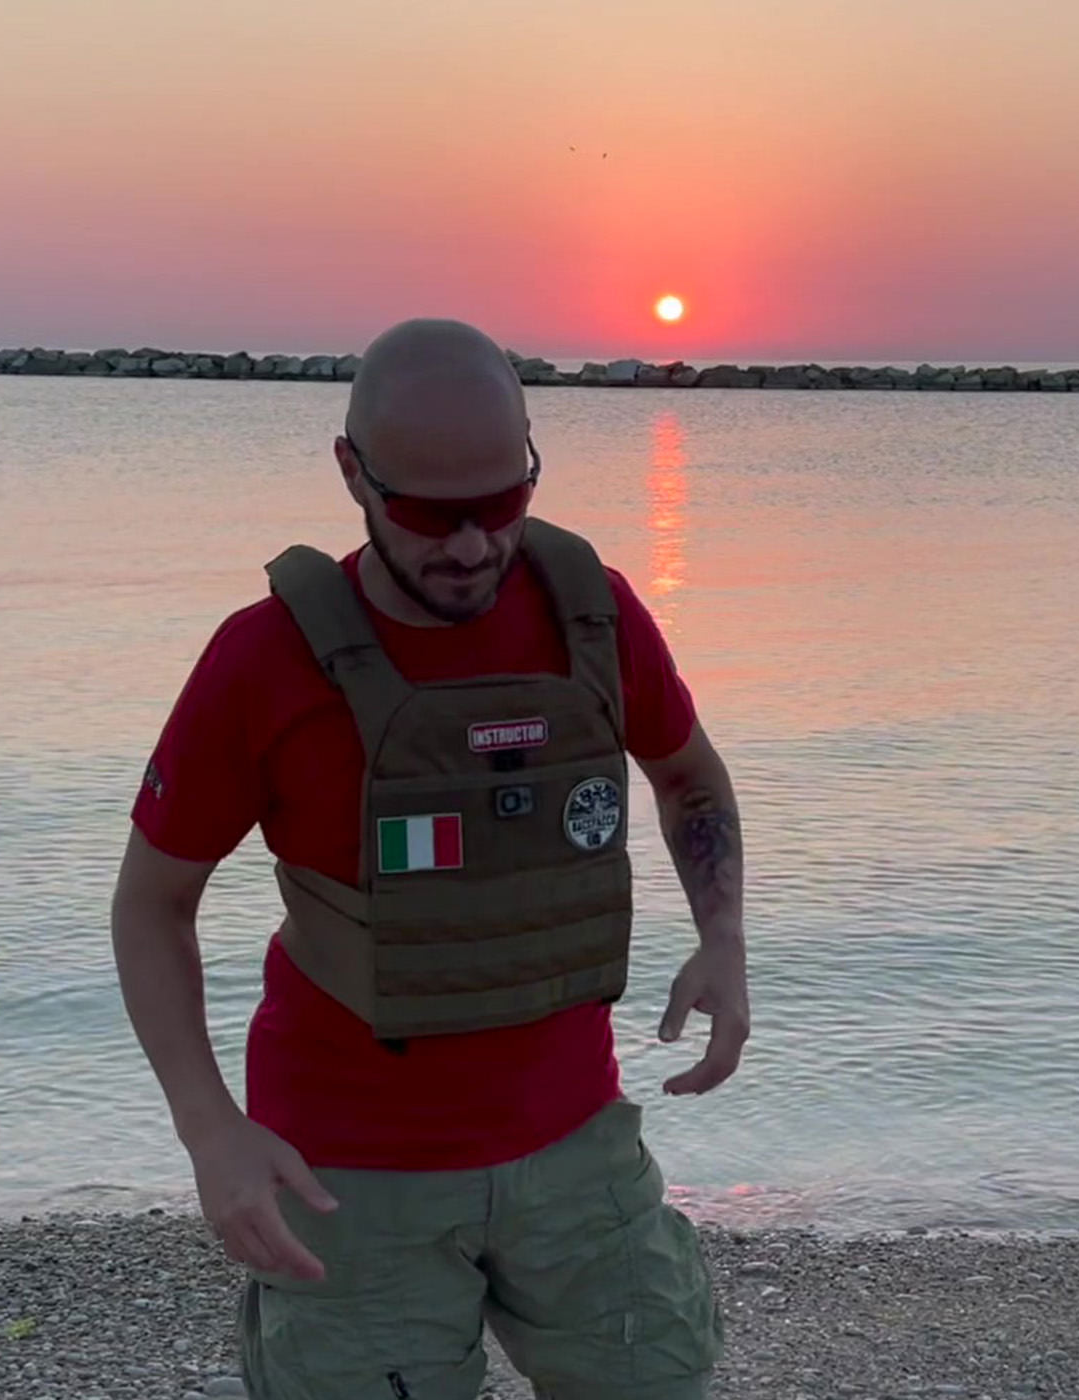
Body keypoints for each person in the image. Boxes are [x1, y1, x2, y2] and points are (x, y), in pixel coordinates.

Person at [110, 318, 750, 1400]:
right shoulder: (261, 660)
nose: (470, 545)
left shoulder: (591, 613)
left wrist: (721, 940)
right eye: (427, 513)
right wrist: (210, 1130)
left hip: (578, 1150)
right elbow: (151, 904)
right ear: (351, 473)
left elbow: (687, 775)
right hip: (349, 1178)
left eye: (502, 503)